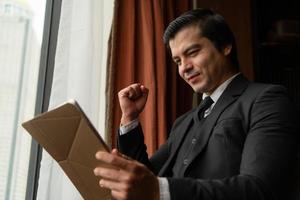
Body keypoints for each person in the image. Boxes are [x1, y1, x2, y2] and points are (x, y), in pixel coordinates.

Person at [93, 8, 297, 200]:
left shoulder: (267, 99)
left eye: (192, 53)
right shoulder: (183, 122)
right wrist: (130, 119)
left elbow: (259, 189)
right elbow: (143, 179)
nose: (184, 68)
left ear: (225, 46)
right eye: (178, 61)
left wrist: (159, 189)